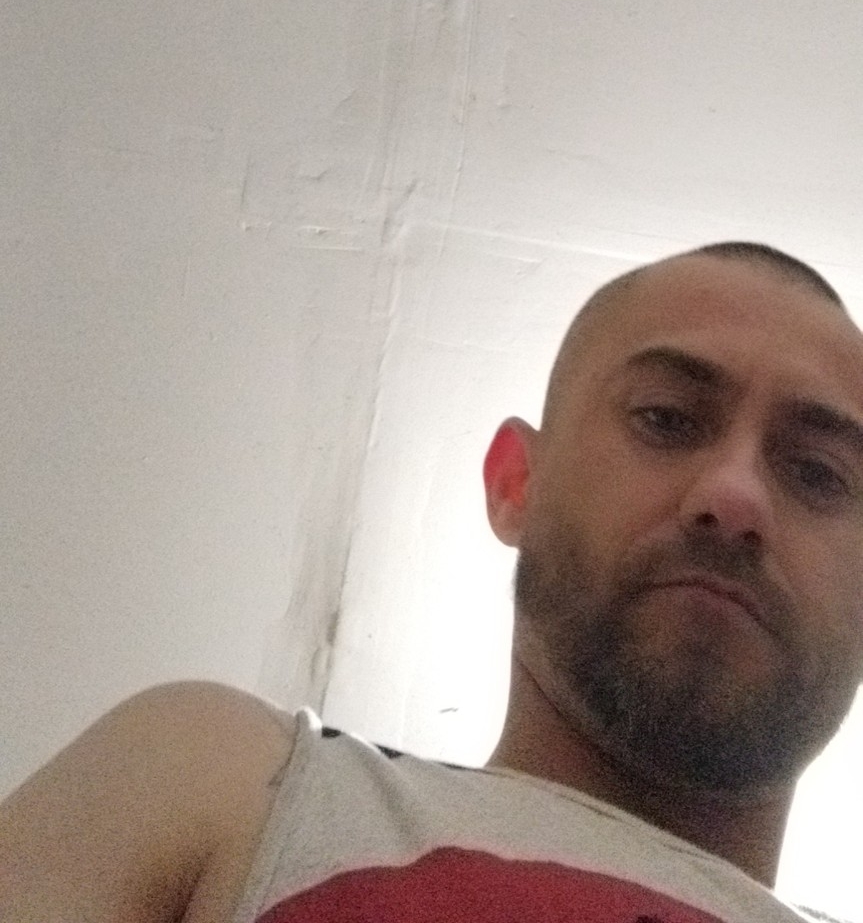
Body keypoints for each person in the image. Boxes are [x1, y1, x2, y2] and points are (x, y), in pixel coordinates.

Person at [2, 241, 862, 923]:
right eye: (665, 418)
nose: (734, 498)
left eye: (819, 472)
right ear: (515, 483)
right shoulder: (225, 780)